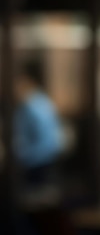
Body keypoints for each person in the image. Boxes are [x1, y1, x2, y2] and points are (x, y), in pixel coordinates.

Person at [13, 60, 63, 194]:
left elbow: (47, 141)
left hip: (36, 164)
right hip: (42, 161)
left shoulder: (32, 106)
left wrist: (22, 157)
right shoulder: (41, 101)